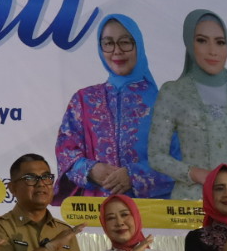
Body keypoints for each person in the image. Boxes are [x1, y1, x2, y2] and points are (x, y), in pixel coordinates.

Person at [148, 9, 227, 202]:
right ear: (189, 43)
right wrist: (197, 174)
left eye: (220, 42)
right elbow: (156, 155)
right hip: (193, 202)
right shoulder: (173, 92)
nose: (213, 51)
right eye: (202, 40)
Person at [54, 14, 174, 203]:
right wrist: (90, 169)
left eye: (125, 42)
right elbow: (65, 153)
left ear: (139, 46)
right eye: (108, 43)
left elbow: (185, 162)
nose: (116, 51)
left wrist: (135, 176)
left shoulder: (167, 103)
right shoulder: (84, 100)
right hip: (95, 216)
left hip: (152, 215)